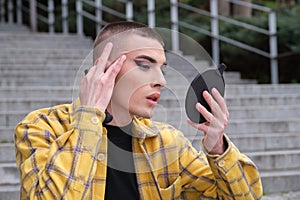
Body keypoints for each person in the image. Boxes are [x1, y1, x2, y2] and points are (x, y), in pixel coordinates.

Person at [14, 21, 262, 199]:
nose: (161, 81)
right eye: (144, 65)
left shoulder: (166, 142)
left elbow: (244, 197)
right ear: (105, 68)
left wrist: (217, 148)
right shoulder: (40, 127)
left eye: (163, 69)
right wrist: (88, 119)